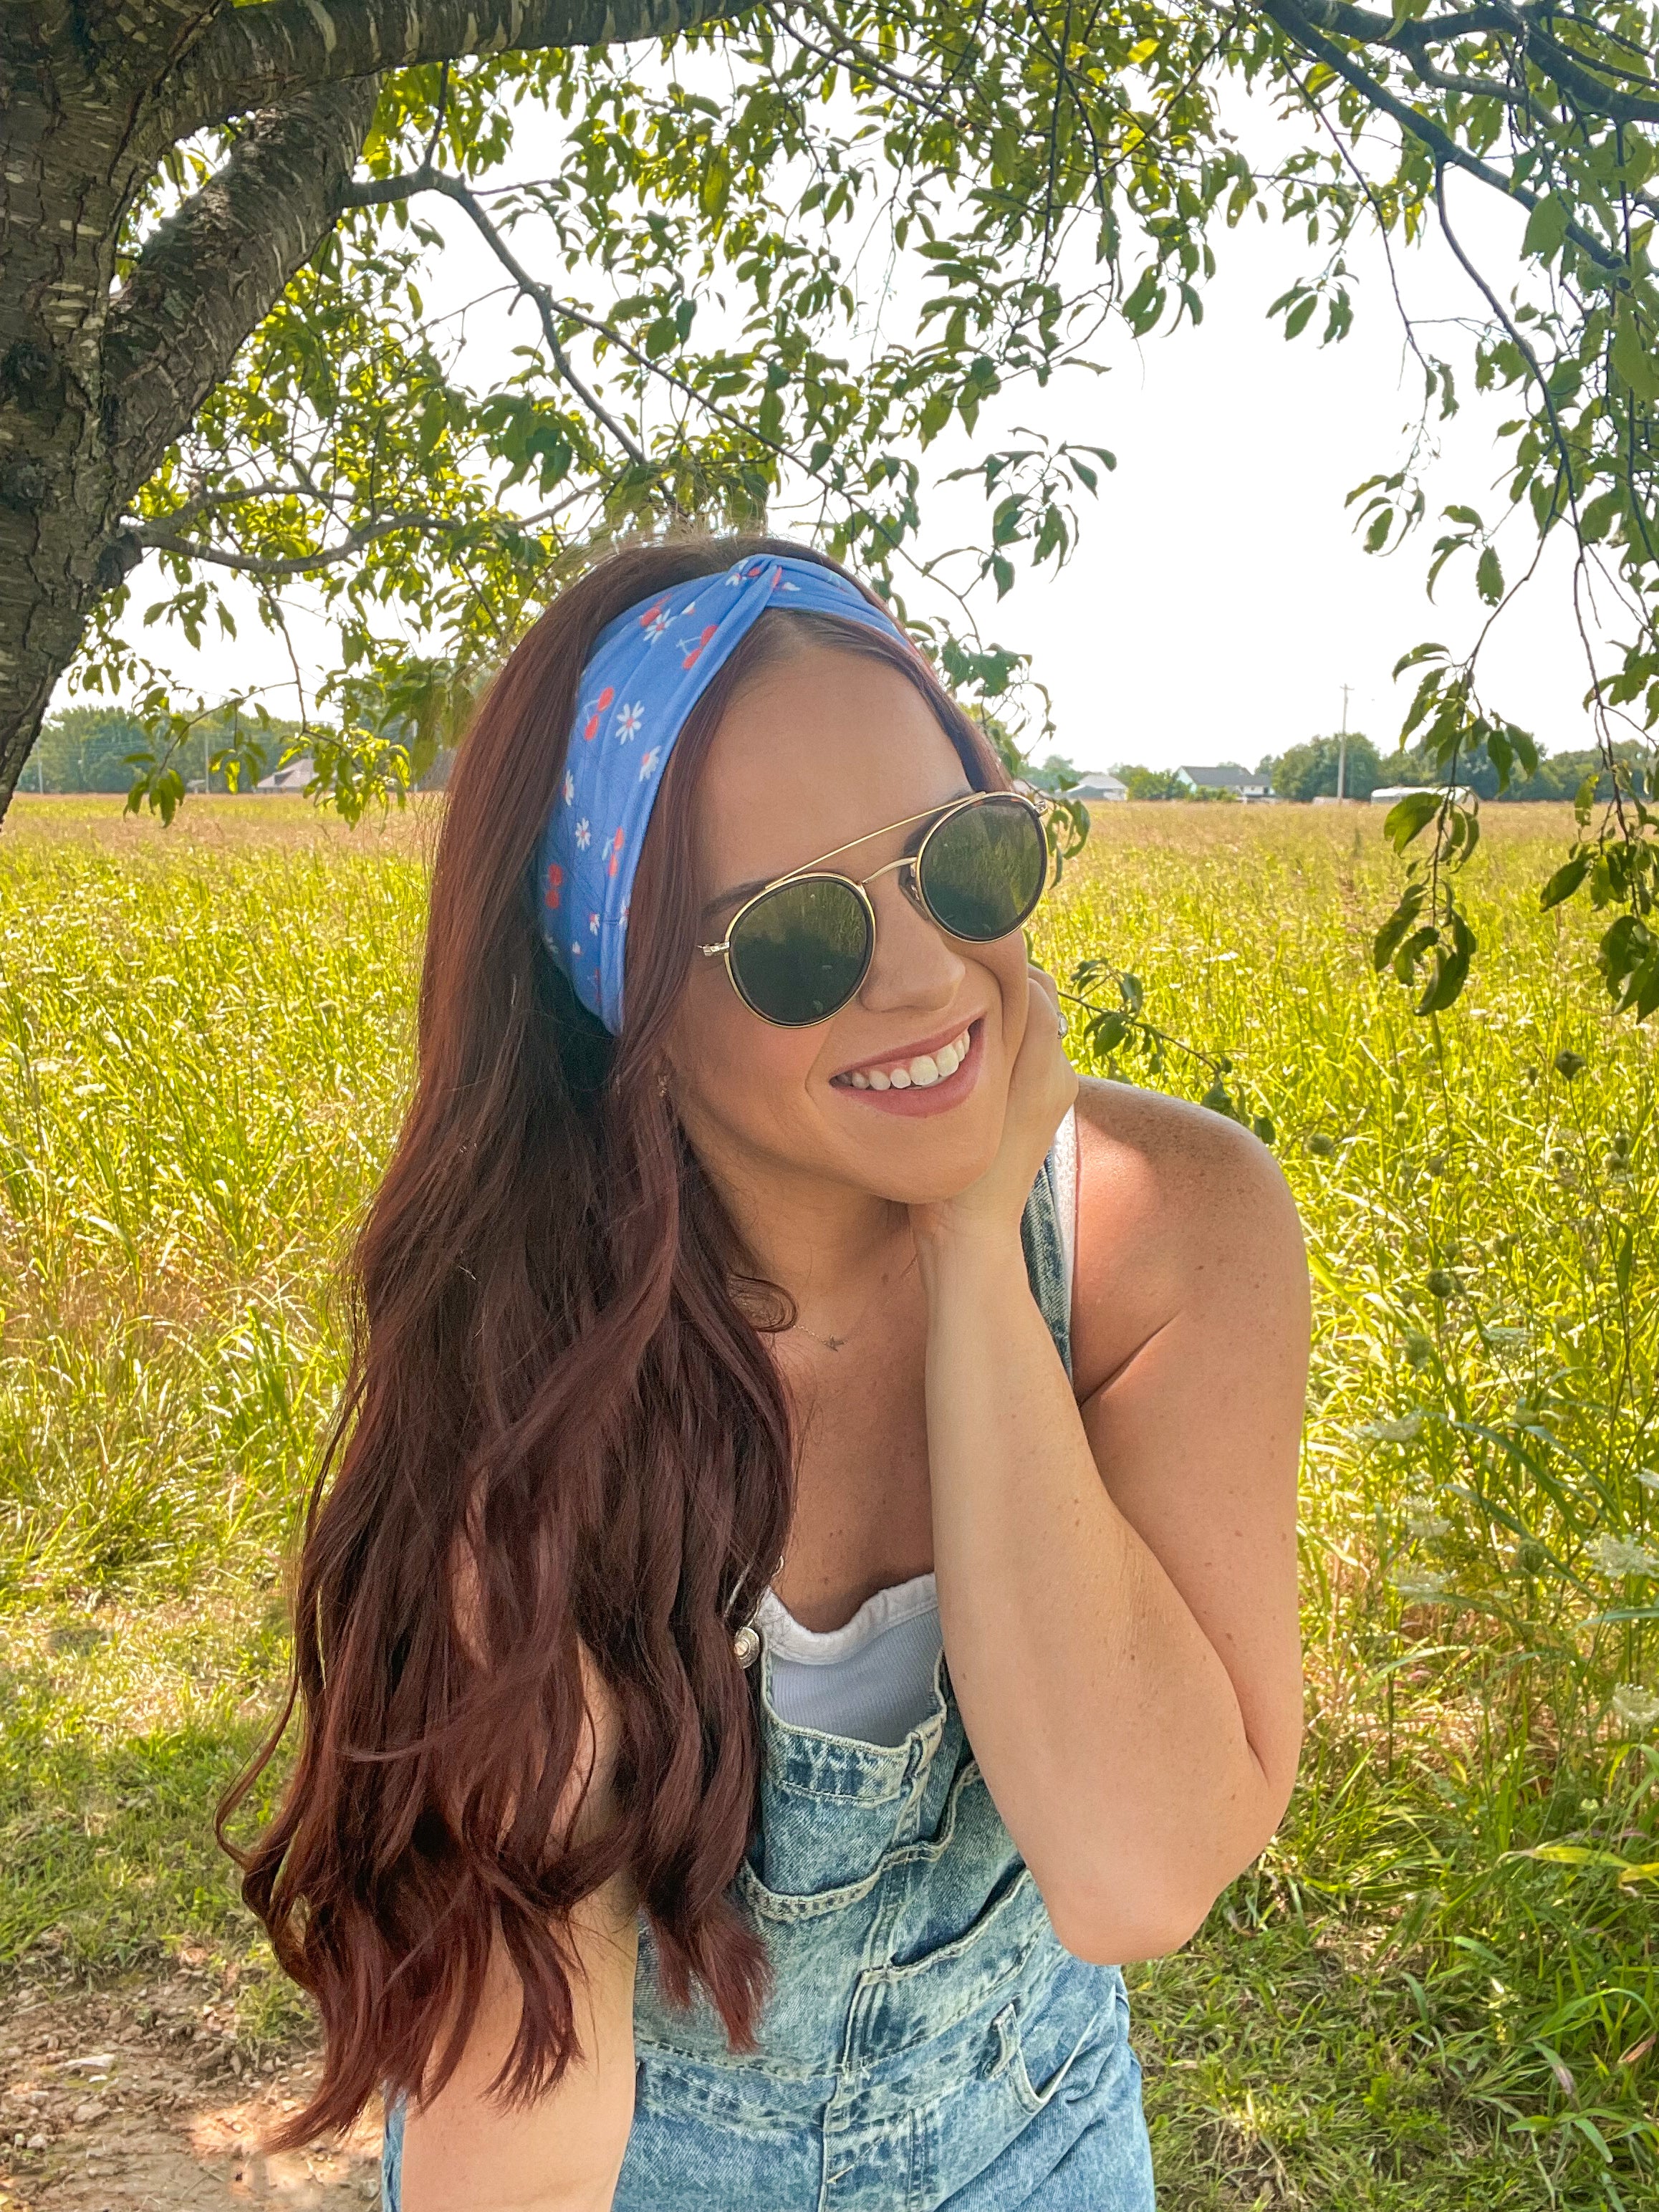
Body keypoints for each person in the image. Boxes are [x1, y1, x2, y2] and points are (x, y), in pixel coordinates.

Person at [221, 537, 1309, 2211]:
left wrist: (967, 1241)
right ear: (625, 991)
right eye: (801, 935)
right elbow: (518, 2125)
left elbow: (1135, 1869)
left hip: (1036, 2152)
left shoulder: (1179, 1235)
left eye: (962, 861)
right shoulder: (531, 1365)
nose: (925, 973)